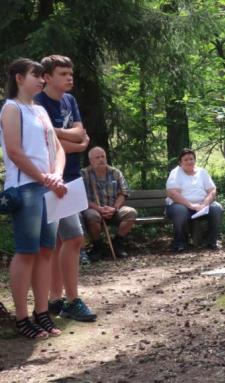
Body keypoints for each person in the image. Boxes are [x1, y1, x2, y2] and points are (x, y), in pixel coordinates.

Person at [1, 58, 67, 338]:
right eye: (35, 75)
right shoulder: (11, 108)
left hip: (49, 188)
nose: (41, 80)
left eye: (42, 76)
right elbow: (15, 152)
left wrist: (57, 175)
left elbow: (58, 148)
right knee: (26, 252)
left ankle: (42, 313)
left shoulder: (40, 110)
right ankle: (22, 317)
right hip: (26, 188)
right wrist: (44, 178)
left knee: (45, 252)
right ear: (18, 78)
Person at [34, 55, 96, 322]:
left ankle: (55, 299)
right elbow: (51, 143)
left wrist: (67, 136)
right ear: (46, 77)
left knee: (62, 242)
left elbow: (80, 132)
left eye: (70, 73)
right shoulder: (38, 104)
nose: (69, 78)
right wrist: (76, 141)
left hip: (72, 176)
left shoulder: (70, 100)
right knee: (74, 238)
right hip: (52, 179)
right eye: (62, 73)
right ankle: (72, 300)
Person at [81, 147, 137, 260]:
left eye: (103, 156)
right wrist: (99, 209)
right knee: (92, 216)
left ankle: (118, 243)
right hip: (94, 209)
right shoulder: (84, 174)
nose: (101, 159)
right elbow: (81, 197)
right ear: (91, 160)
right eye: (97, 157)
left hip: (113, 209)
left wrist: (114, 208)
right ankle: (98, 246)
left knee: (131, 213)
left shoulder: (115, 172)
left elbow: (124, 192)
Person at [165, 148, 223, 252]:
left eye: (191, 159)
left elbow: (212, 190)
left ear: (195, 160)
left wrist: (205, 204)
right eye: (186, 160)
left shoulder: (202, 172)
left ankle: (210, 242)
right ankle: (180, 243)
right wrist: (191, 205)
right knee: (180, 210)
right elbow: (172, 193)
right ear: (180, 162)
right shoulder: (175, 173)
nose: (189, 162)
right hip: (180, 206)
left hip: (201, 206)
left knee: (216, 208)